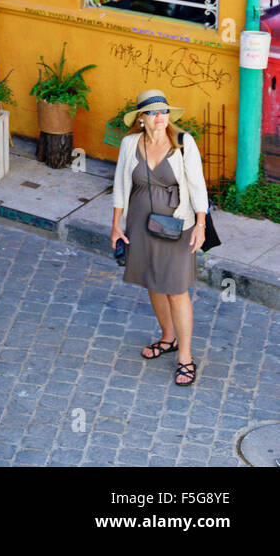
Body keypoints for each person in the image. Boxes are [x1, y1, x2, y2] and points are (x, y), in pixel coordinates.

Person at [109, 89, 210, 386]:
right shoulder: (129, 144)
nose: (160, 118)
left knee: (177, 289)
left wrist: (201, 224)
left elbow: (198, 187)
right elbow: (119, 186)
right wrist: (116, 225)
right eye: (153, 113)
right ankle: (168, 339)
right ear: (141, 118)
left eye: (164, 112)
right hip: (140, 224)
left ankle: (186, 357)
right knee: (152, 281)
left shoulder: (182, 142)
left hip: (178, 225)